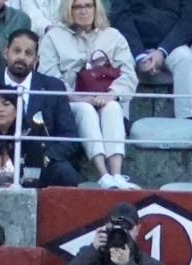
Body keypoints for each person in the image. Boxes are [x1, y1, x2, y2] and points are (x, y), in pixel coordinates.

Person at [40, 0, 138, 189]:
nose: (83, 11)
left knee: (113, 107)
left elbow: (128, 74)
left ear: (96, 8)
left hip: (106, 97)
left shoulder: (113, 36)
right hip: (70, 102)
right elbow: (49, 77)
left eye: (88, 6)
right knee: (85, 109)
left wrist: (111, 94)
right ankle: (103, 174)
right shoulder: (53, 38)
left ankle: (117, 174)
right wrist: (75, 97)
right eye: (77, 7)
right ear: (69, 10)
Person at [0, 29, 83, 187]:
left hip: (41, 160)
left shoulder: (52, 87)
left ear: (36, 59)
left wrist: (45, 157)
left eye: (28, 53)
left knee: (65, 172)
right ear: (5, 52)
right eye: (16, 51)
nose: (21, 57)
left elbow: (69, 136)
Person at [110, 0, 192, 122]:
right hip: (132, 45)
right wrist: (139, 55)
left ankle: (186, 119)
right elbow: (120, 17)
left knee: (185, 58)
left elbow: (189, 20)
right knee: (122, 59)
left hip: (171, 46)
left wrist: (162, 51)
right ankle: (121, 121)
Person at [59, 200, 168, 265]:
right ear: (105, 227)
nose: (119, 234)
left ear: (137, 230)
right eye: (114, 228)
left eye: (126, 228)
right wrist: (92, 250)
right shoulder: (90, 258)